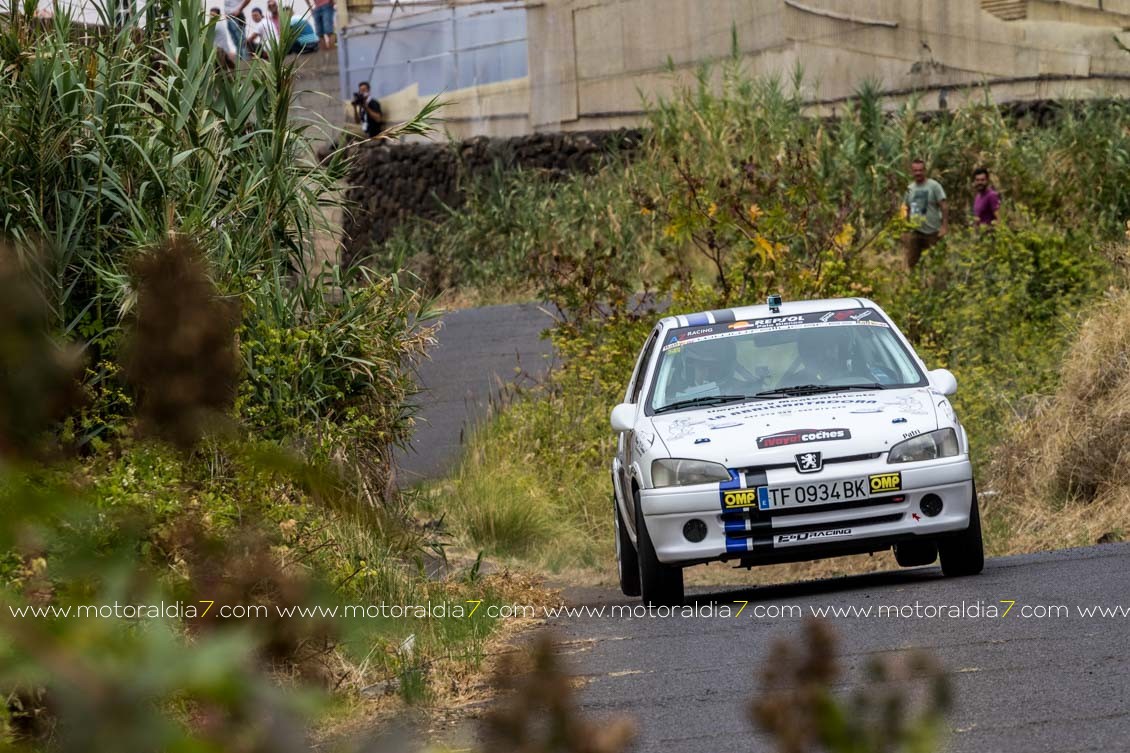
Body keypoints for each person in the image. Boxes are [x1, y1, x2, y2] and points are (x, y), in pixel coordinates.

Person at [901, 158, 948, 269]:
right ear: (912, 172)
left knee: (935, 264)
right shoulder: (909, 189)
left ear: (925, 170)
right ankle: (914, 280)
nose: (918, 173)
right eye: (915, 170)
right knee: (912, 263)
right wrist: (905, 229)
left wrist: (944, 226)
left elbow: (944, 206)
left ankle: (935, 280)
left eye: (920, 170)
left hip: (933, 232)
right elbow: (905, 209)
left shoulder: (934, 186)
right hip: (916, 232)